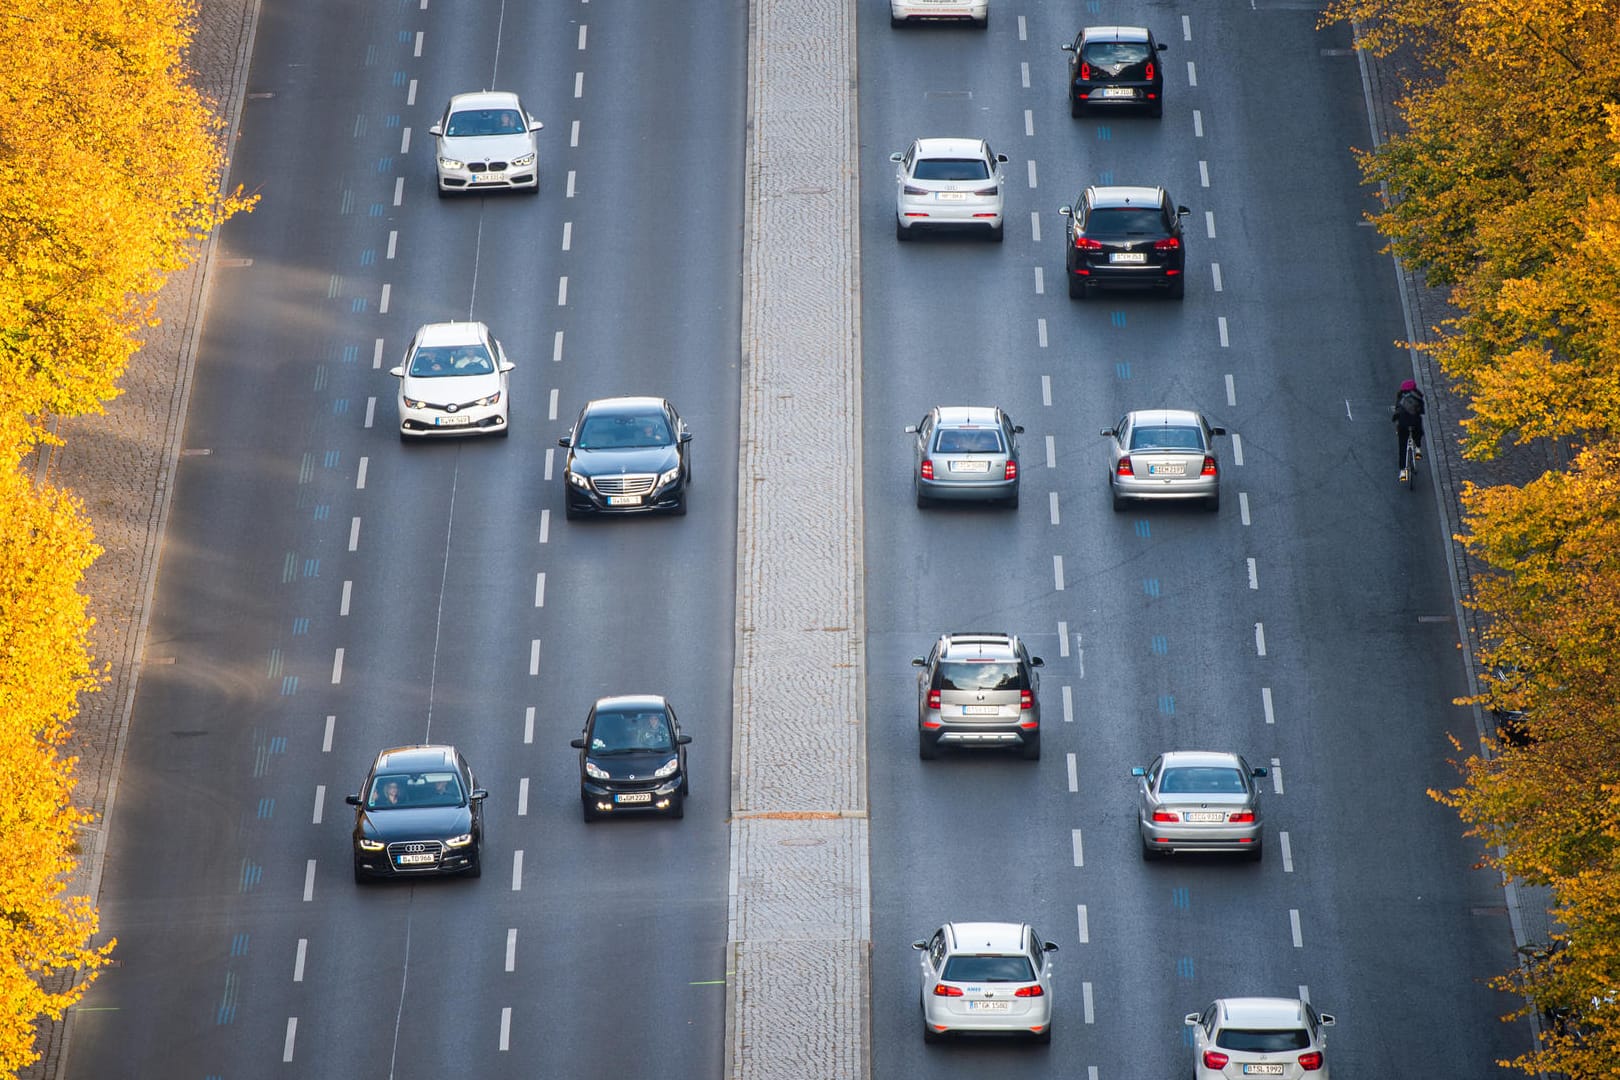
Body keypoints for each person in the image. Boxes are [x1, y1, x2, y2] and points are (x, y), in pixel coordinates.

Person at [1391, 378, 1426, 482]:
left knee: (1402, 446)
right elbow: (1422, 412)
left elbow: (1397, 411)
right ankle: (1418, 449)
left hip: (1403, 425)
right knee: (1418, 431)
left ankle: (1402, 471)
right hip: (1414, 423)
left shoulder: (1400, 396)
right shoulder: (1418, 396)